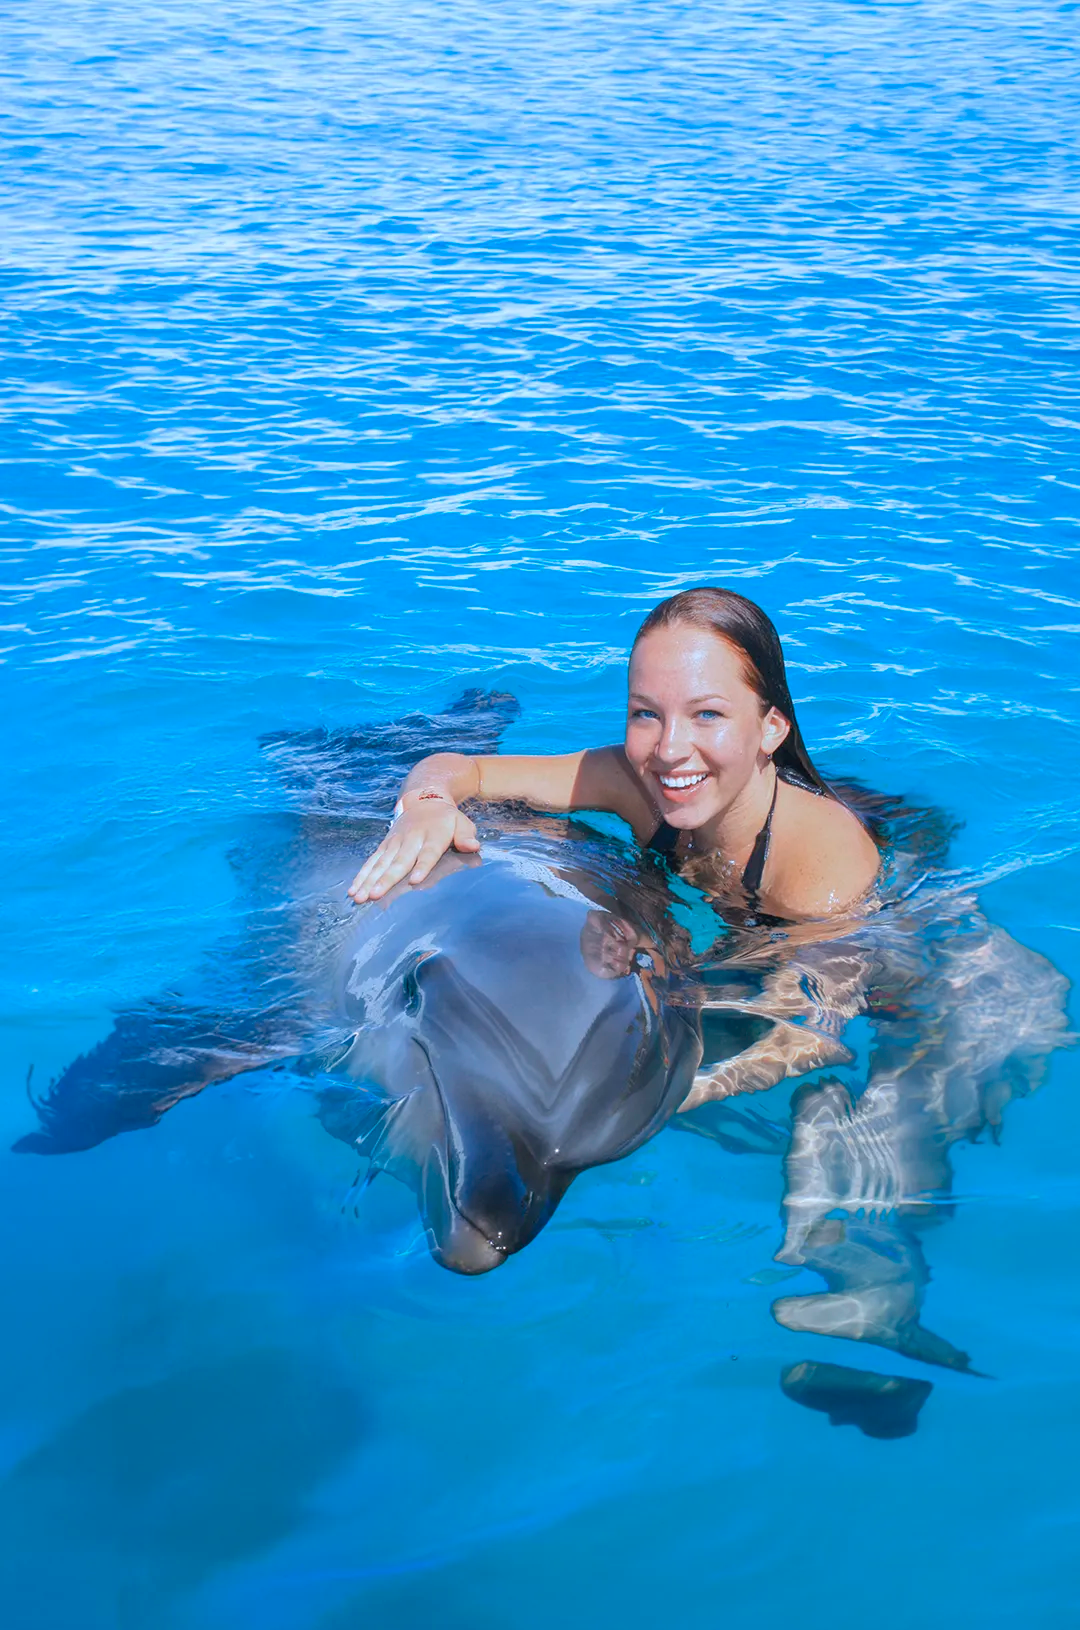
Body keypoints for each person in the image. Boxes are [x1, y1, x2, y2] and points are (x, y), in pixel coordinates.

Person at [347, 587, 883, 1106]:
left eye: (708, 714)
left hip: (861, 908)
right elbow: (467, 769)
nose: (670, 749)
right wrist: (427, 803)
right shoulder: (636, 782)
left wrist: (650, 1098)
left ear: (771, 728)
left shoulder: (824, 861)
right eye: (646, 713)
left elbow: (808, 1032)